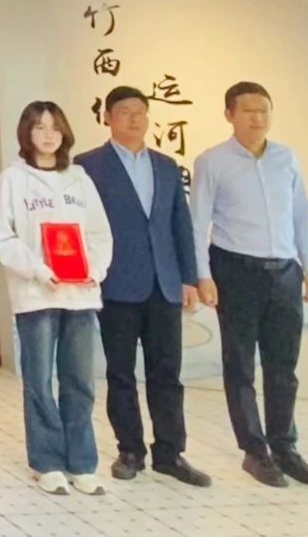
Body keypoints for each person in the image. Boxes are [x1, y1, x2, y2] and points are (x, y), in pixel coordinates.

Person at [191, 82, 308, 488]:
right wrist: (202, 275)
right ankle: (254, 450)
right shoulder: (212, 161)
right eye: (248, 110)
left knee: (283, 367)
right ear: (229, 114)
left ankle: (285, 447)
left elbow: (301, 215)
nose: (258, 117)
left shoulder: (286, 158)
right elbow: (198, 223)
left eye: (264, 109)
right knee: (240, 365)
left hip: (284, 272)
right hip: (236, 270)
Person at [75, 86, 210, 487]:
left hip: (164, 285)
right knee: (120, 373)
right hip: (116, 283)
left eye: (140, 111)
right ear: (107, 118)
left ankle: (170, 452)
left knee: (167, 373)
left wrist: (188, 278)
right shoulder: (87, 166)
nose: (134, 118)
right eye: (124, 111)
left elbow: (179, 225)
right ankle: (130, 450)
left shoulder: (166, 166)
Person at [0, 101, 112, 497]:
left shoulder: (79, 179)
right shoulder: (13, 179)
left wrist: (94, 270)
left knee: (80, 381)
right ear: (26, 132)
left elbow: (100, 234)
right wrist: (41, 270)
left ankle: (82, 463)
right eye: (39, 127)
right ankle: (47, 463)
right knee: (39, 381)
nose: (48, 135)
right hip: (36, 294)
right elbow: (4, 237)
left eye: (55, 127)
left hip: (81, 294)